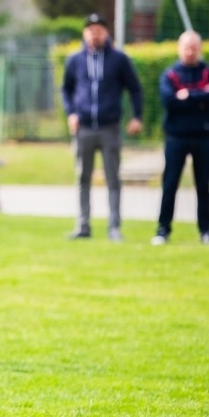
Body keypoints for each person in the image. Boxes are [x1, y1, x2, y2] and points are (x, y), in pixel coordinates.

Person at [62, 13, 143, 241]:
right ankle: (83, 225)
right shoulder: (74, 60)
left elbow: (135, 88)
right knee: (82, 178)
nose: (95, 34)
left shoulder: (119, 59)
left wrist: (137, 116)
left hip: (110, 127)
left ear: (106, 32)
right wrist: (71, 113)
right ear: (85, 33)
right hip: (84, 128)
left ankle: (114, 227)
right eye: (91, 29)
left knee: (113, 178)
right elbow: (66, 89)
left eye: (99, 29)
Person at [152, 30, 209, 245]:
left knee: (203, 185)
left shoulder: (205, 72)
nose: (190, 52)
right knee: (170, 184)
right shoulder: (170, 74)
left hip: (203, 136)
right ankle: (163, 229)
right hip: (176, 137)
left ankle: (205, 229)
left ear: (199, 49)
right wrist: (201, 97)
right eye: (186, 47)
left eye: (194, 47)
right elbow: (170, 101)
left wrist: (188, 96)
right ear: (179, 48)